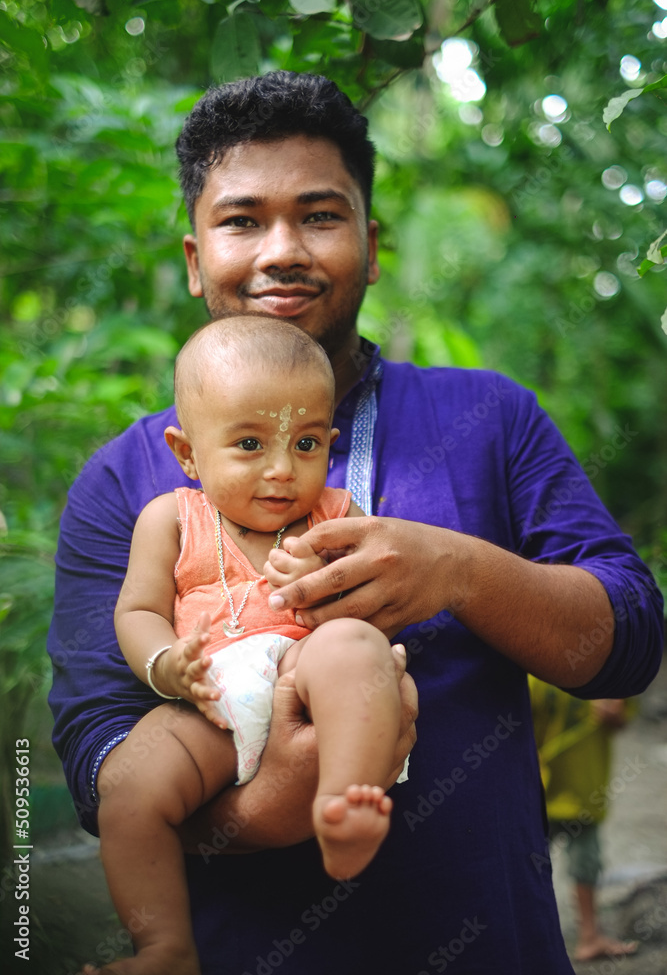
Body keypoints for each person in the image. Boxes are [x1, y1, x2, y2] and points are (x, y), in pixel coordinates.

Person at [48, 70, 664, 975]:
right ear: (193, 257)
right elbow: (95, 751)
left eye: (321, 215)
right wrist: (278, 801)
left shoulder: (489, 420)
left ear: (370, 247)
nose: (282, 249)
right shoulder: (127, 482)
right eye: (241, 220)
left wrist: (458, 573)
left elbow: (630, 639)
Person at [88, 315, 405, 975]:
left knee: (351, 646)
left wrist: (323, 588)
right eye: (250, 444)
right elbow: (139, 608)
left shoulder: (336, 516)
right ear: (187, 453)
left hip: (302, 670)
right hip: (211, 698)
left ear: (330, 443)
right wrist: (167, 665)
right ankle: (166, 947)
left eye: (307, 443)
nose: (282, 471)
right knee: (126, 790)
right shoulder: (172, 517)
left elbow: (373, 612)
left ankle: (340, 804)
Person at [529, 678, 639, 962]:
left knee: (585, 864)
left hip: (583, 791)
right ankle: (523, 935)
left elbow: (623, 715)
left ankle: (589, 937)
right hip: (540, 789)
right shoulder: (533, 673)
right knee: (525, 863)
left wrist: (614, 713)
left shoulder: (607, 673)